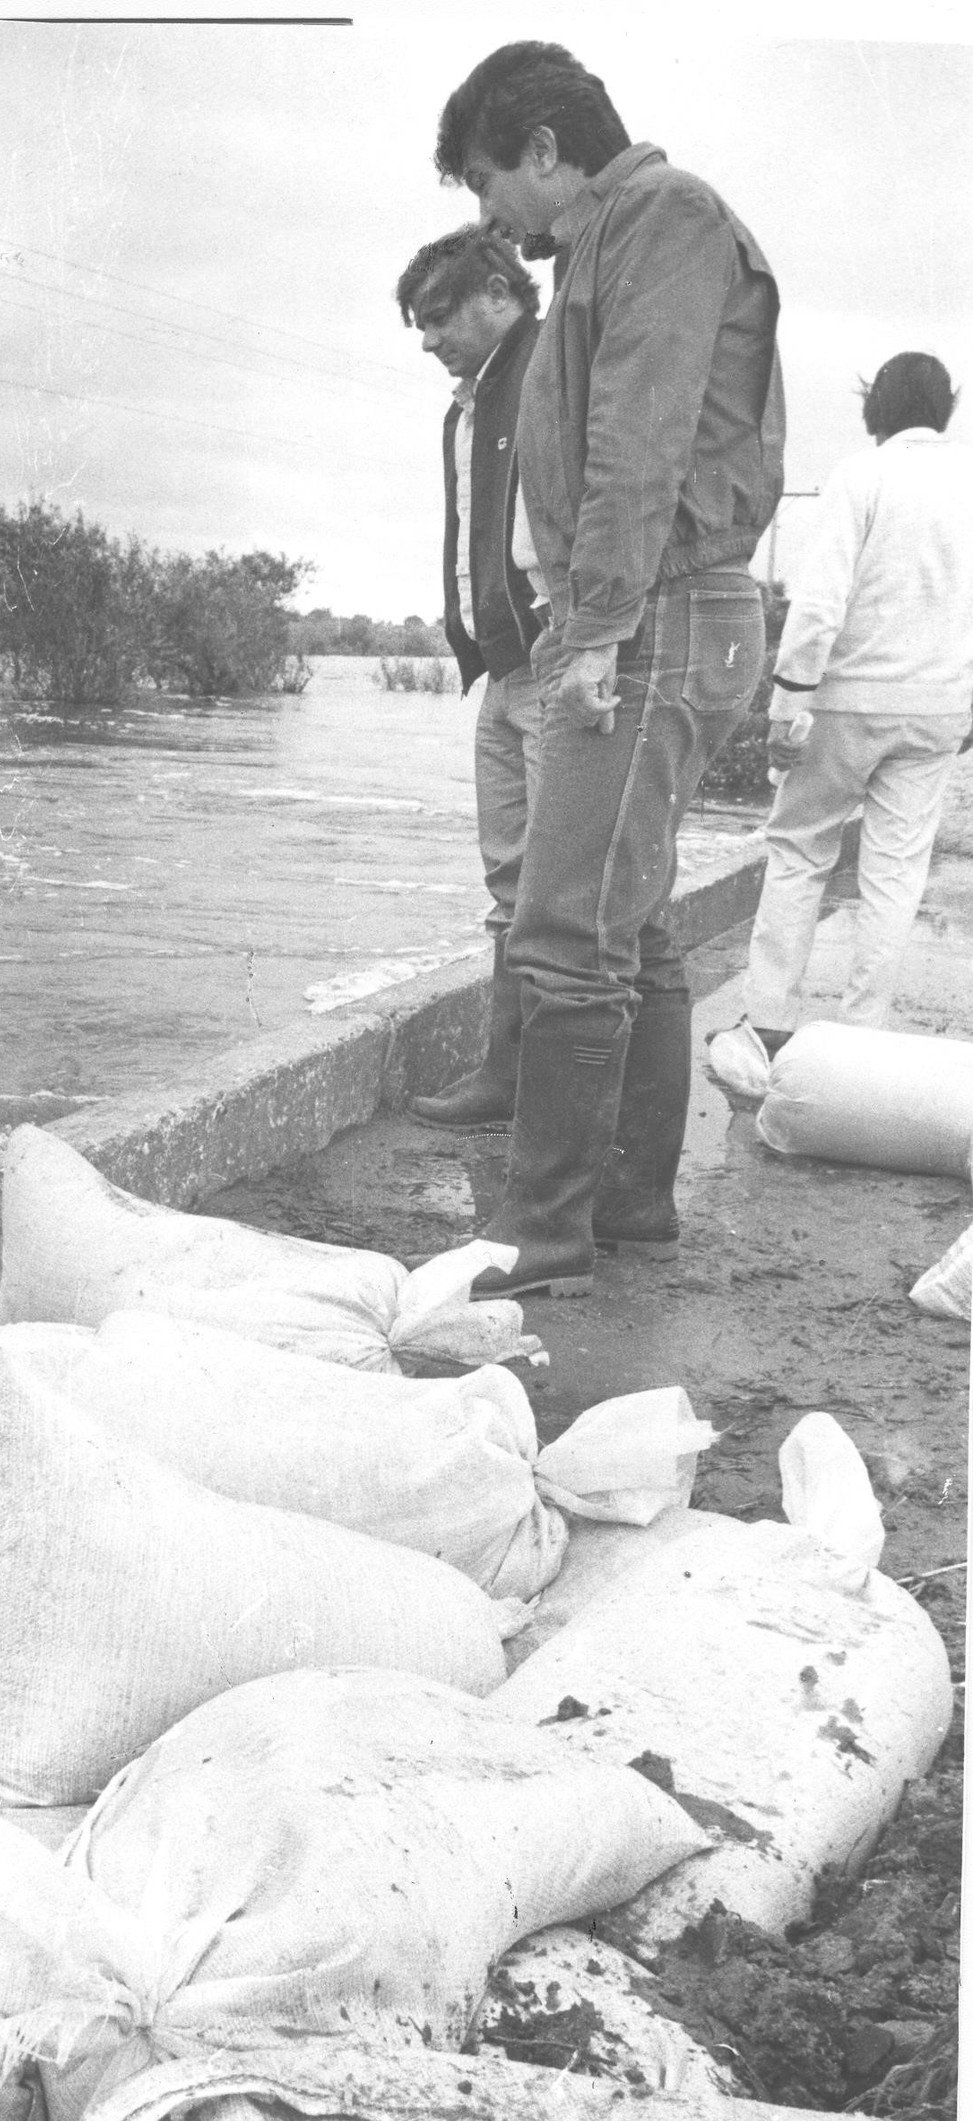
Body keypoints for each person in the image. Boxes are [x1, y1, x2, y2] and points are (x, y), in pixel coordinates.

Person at [434, 41, 784, 1296]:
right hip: (660, 609)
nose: (490, 219)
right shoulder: (607, 239)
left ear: (544, 149)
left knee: (562, 926)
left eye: (489, 184)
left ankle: (540, 1230)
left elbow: (638, 439)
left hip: (655, 613)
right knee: (624, 918)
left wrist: (590, 632)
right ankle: (629, 1203)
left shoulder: (659, 217)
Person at [710, 353, 973, 1088]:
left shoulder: (861, 476)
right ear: (945, 407)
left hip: (846, 699)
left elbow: (820, 600)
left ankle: (767, 1027)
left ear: (875, 407)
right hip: (937, 707)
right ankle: (861, 1042)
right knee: (896, 873)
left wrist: (787, 702)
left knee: (800, 852)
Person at [389, 228, 548, 1130]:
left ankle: (552, 1098)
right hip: (504, 669)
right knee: (513, 885)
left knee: (560, 894)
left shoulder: (549, 370)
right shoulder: (468, 405)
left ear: (498, 292)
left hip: (557, 659)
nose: (427, 340)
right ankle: (509, 1077)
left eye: (438, 317)